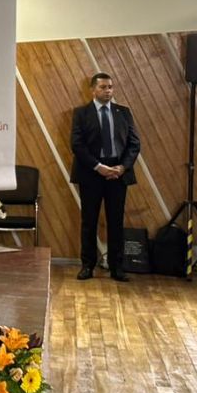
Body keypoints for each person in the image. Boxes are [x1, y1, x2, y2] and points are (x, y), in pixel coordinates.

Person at [70, 72, 140, 282]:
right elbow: (77, 145)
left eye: (110, 87)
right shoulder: (81, 113)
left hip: (118, 174)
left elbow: (134, 144)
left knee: (115, 222)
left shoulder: (123, 112)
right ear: (92, 90)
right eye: (103, 87)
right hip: (91, 173)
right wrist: (98, 166)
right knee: (89, 222)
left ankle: (117, 267)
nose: (108, 91)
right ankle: (87, 265)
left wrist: (122, 167)